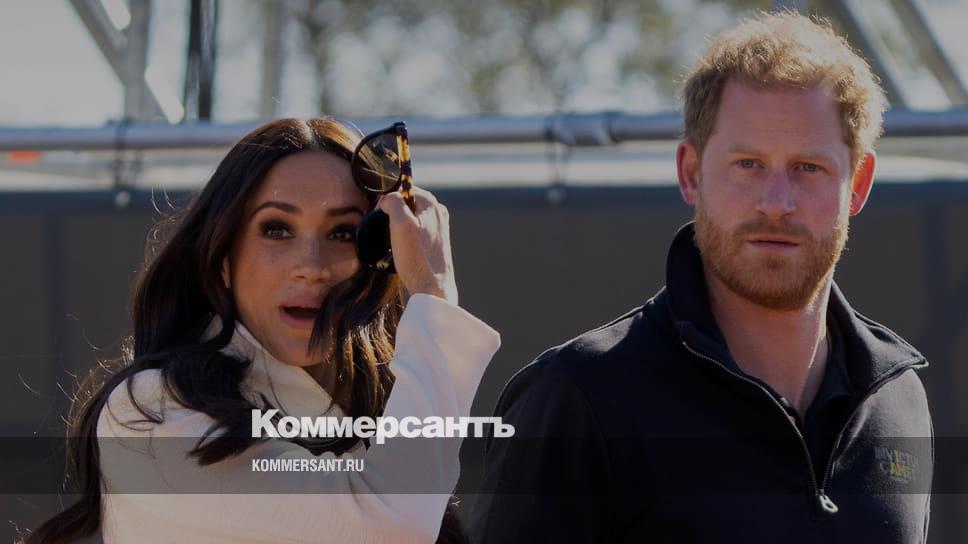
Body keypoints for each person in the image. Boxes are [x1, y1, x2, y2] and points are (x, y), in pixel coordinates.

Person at [471, 11, 932, 543]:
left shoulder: (899, 401)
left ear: (859, 184)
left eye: (808, 167)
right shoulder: (579, 398)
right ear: (691, 172)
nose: (776, 202)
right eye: (748, 164)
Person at [27, 118, 501, 543]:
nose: (310, 266)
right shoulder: (152, 413)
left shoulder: (384, 426)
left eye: (342, 233)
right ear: (223, 259)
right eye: (276, 229)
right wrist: (434, 295)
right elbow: (388, 526)